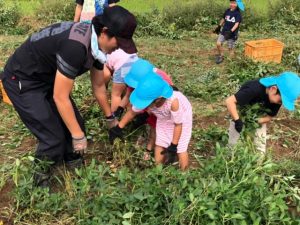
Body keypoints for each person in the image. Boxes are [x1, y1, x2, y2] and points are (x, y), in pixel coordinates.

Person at [1, 6, 137, 187]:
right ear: (105, 32)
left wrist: (109, 118)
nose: (117, 49)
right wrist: (77, 136)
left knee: (76, 125)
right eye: (117, 43)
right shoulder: (75, 47)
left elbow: (98, 87)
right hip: (23, 80)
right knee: (52, 137)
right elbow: (60, 97)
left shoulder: (97, 46)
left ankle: (72, 161)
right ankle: (40, 179)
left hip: (47, 79)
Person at [109, 59, 175, 160]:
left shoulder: (161, 85)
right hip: (150, 103)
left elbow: (162, 110)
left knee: (157, 128)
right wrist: (118, 127)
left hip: (162, 109)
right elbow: (130, 100)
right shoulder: (138, 76)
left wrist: (147, 114)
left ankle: (158, 149)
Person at [225, 72, 300, 154]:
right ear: (273, 89)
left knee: (260, 142)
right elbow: (229, 101)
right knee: (235, 133)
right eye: (280, 101)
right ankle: (230, 153)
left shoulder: (276, 100)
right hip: (241, 111)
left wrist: (255, 121)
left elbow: (269, 117)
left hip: (257, 115)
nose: (280, 103)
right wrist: (237, 120)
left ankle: (259, 158)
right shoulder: (253, 90)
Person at [128, 75, 192, 170]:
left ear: (158, 99)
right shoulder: (146, 98)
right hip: (163, 118)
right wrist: (118, 127)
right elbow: (132, 112)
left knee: (181, 147)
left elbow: (178, 125)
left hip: (182, 118)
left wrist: (173, 145)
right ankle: (158, 170)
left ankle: (184, 173)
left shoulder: (173, 102)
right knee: (160, 141)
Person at [214, 0, 244, 64]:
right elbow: (223, 19)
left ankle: (231, 62)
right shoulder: (227, 10)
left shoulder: (238, 14)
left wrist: (230, 31)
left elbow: (236, 24)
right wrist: (219, 26)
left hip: (232, 34)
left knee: (230, 48)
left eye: (234, 3)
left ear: (237, 5)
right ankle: (221, 56)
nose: (232, 4)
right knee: (218, 43)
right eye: (231, 3)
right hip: (224, 31)